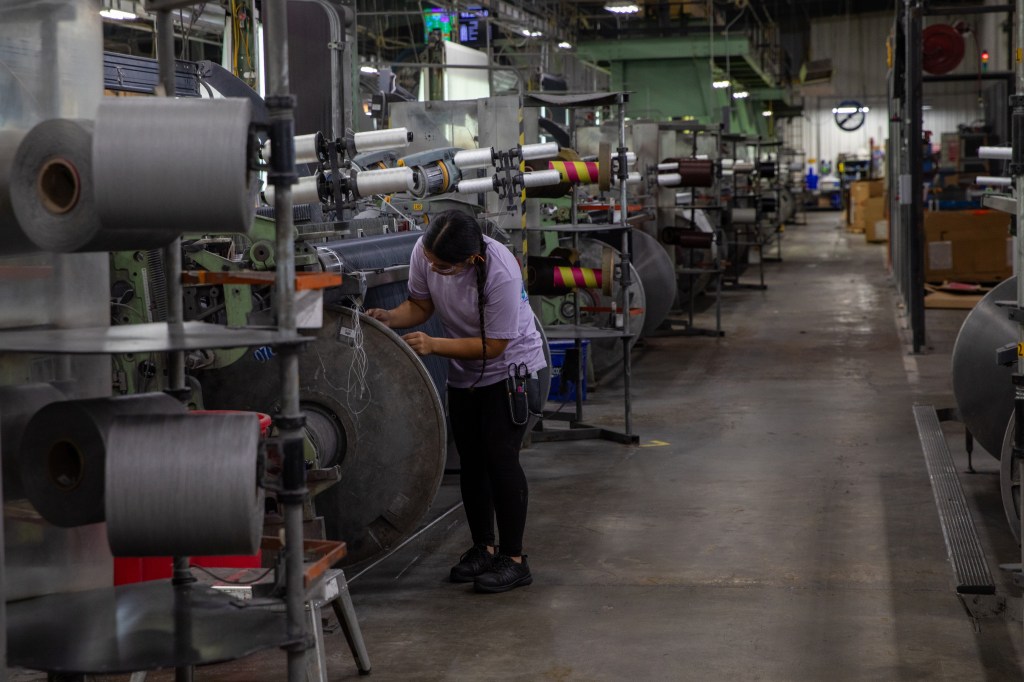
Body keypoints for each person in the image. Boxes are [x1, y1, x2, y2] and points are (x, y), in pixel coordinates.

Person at [367, 209, 546, 593]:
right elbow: (421, 305)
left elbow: (495, 346)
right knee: (471, 462)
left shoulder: (502, 270)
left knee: (501, 460)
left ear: (471, 260)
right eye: (430, 261)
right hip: (466, 373)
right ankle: (484, 547)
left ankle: (514, 560)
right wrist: (390, 317)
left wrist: (434, 344)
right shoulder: (425, 250)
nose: (433, 267)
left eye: (442, 266)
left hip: (510, 370)